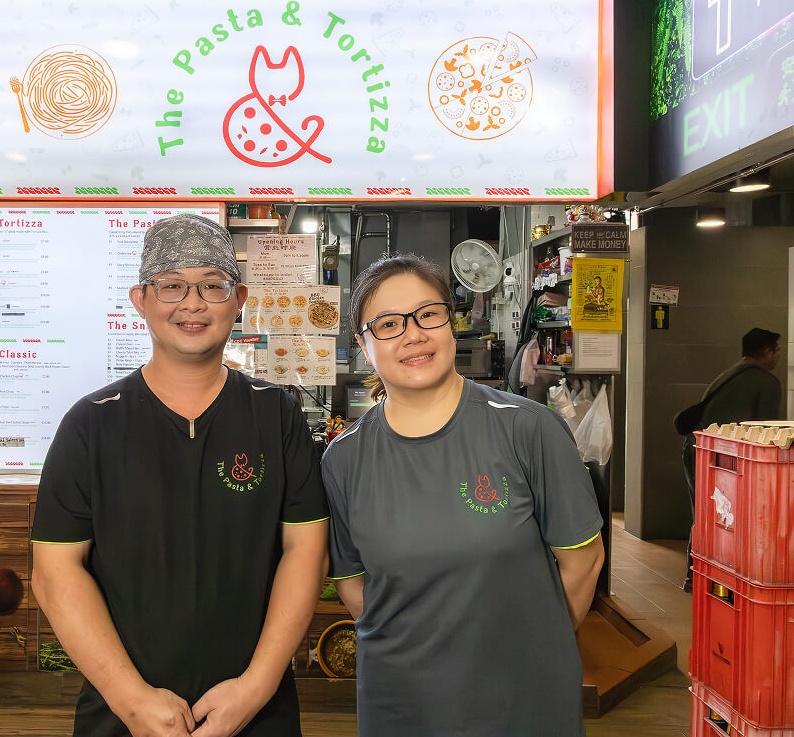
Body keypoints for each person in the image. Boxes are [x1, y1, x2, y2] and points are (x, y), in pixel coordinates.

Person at [31, 214, 329, 737]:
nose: (192, 304)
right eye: (171, 286)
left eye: (211, 286)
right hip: (123, 715)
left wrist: (255, 688)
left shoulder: (275, 416)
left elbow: (306, 551)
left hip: (258, 712)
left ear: (237, 300)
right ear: (140, 299)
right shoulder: (92, 422)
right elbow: (56, 574)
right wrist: (131, 699)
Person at [323, 253, 604, 737]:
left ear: (449, 322)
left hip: (523, 700)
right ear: (363, 345)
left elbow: (582, 561)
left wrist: (534, 653)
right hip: (401, 701)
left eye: (427, 314)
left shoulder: (527, 427)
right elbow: (351, 581)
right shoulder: (344, 458)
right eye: (388, 324)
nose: (413, 334)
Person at [681, 327, 783, 589]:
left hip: (697, 446)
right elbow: (768, 432)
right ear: (767, 352)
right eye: (777, 350)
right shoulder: (766, 382)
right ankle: (714, 578)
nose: (779, 356)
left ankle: (696, 575)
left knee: (704, 514)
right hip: (722, 457)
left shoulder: (732, 372)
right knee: (725, 518)